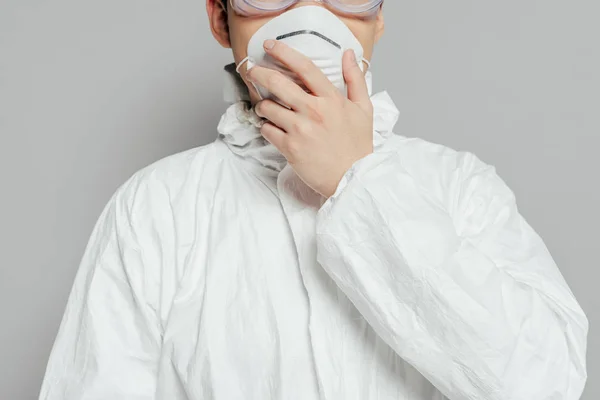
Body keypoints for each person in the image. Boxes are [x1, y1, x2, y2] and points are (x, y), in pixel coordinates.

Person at [39, 1, 588, 399]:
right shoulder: (155, 210)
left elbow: (548, 384)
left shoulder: (458, 188)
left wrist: (358, 181)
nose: (309, 20)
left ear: (377, 19)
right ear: (219, 17)